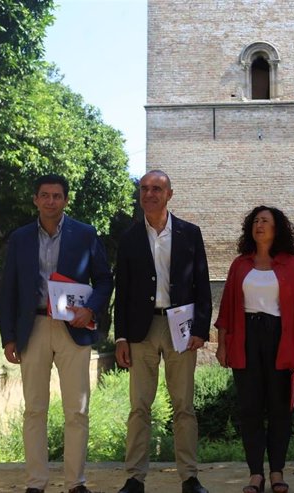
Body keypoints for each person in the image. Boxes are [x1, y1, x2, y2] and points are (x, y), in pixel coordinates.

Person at [0, 174, 113, 493]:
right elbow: (7, 290)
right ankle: (36, 483)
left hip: (72, 327)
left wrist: (90, 309)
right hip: (31, 327)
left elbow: (104, 279)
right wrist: (8, 336)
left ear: (65, 200)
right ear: (35, 199)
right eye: (45, 195)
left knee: (76, 409)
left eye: (57, 196)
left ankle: (75, 482)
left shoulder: (85, 234)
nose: (51, 201)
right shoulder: (20, 238)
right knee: (34, 408)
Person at [114, 170, 212, 493]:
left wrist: (200, 328)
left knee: (183, 406)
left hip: (180, 327)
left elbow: (202, 285)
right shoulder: (129, 238)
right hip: (141, 330)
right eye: (144, 188)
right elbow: (123, 289)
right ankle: (135, 478)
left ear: (170, 194)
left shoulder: (189, 234)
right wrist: (121, 337)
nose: (149, 194)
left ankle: (189, 477)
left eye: (157, 188)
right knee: (139, 407)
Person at [215, 206, 294, 493]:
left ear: (277, 229)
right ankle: (254, 474)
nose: (259, 225)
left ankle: (276, 472)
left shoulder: (292, 265)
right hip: (245, 339)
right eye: (256, 221)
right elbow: (225, 309)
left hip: (281, 339)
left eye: (265, 221)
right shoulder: (240, 264)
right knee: (249, 409)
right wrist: (222, 344)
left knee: (279, 409)